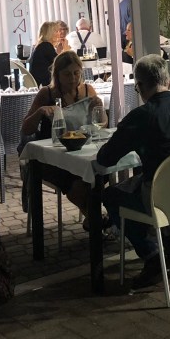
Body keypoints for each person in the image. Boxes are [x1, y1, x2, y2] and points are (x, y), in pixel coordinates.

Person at [99, 54, 170, 290]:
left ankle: (152, 256)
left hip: (160, 200)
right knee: (150, 180)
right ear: (168, 81)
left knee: (111, 195)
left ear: (140, 86)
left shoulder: (141, 117)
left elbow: (105, 159)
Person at [21, 50, 107, 225]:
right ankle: (98, 221)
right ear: (57, 75)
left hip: (82, 151)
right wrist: (40, 112)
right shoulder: (47, 94)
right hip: (53, 157)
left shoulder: (88, 90)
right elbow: (26, 129)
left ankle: (96, 221)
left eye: (76, 73)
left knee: (102, 172)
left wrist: (98, 109)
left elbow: (102, 124)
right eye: (67, 74)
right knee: (76, 183)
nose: (73, 78)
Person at [28, 21, 64, 87]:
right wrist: (66, 49)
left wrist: (59, 51)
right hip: (44, 84)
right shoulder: (46, 46)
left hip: (39, 82)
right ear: (50, 33)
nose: (59, 34)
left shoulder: (41, 46)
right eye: (56, 31)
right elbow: (61, 64)